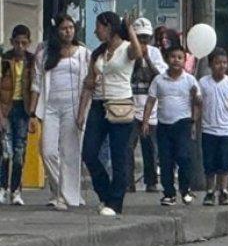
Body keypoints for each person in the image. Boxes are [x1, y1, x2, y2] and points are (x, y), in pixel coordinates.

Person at [80, 12, 144, 217]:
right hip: (98, 104)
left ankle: (116, 202)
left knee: (119, 155)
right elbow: (89, 82)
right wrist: (81, 112)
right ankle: (105, 193)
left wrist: (129, 28)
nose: (95, 32)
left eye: (98, 27)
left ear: (108, 27)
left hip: (120, 103)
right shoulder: (98, 53)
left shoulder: (126, 48)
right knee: (89, 152)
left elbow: (138, 53)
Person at [29, 15, 90, 210]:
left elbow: (90, 82)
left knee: (70, 153)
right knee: (47, 151)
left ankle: (65, 196)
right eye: (64, 28)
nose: (68, 31)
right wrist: (32, 114)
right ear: (56, 31)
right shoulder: (45, 54)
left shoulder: (83, 53)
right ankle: (62, 191)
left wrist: (83, 111)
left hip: (73, 108)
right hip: (50, 108)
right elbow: (36, 84)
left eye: (71, 27)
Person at [143, 45, 200, 206]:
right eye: (173, 57)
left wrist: (194, 122)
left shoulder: (190, 80)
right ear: (167, 59)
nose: (176, 60)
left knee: (183, 157)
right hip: (163, 125)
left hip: (183, 123)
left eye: (180, 57)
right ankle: (169, 193)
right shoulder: (159, 80)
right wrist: (145, 121)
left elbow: (198, 103)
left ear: (184, 60)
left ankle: (185, 189)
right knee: (166, 160)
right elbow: (150, 101)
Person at [197, 48, 228, 206]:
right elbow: (198, 103)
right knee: (209, 163)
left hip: (226, 129)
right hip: (208, 128)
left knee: (224, 162)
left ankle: (223, 190)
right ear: (211, 65)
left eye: (224, 63)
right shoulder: (203, 82)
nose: (221, 66)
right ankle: (210, 191)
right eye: (217, 63)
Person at [129, 18, 166, 193]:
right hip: (131, 107)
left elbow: (160, 76)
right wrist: (138, 57)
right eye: (140, 38)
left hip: (149, 109)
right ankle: (128, 181)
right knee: (128, 146)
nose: (143, 41)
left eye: (146, 38)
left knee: (150, 148)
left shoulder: (155, 53)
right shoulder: (128, 51)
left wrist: (147, 59)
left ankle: (151, 182)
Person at [0, 24, 34, 205]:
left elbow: (36, 87)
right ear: (12, 42)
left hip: (23, 109)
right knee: (5, 151)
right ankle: (2, 187)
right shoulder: (5, 60)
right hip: (6, 107)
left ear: (29, 43)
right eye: (17, 42)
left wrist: (33, 114)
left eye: (24, 43)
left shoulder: (31, 61)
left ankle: (16, 190)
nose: (20, 46)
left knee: (19, 151)